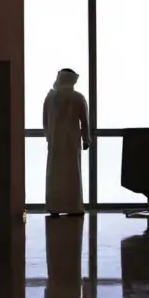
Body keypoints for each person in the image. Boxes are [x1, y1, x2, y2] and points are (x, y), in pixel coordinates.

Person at [43, 68, 91, 217]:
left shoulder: (50, 98)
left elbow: (45, 120)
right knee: (72, 174)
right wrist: (86, 139)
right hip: (72, 141)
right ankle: (73, 207)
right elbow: (85, 121)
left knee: (55, 174)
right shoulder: (78, 97)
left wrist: (49, 137)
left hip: (55, 142)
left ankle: (54, 207)